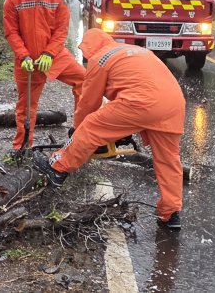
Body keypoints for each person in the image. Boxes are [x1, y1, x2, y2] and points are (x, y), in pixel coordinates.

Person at [33, 28, 186, 229]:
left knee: (90, 125)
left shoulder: (101, 59)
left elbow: (89, 103)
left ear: (90, 47)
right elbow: (141, 85)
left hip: (141, 103)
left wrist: (77, 130)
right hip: (174, 104)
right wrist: (123, 131)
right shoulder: (133, 50)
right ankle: (171, 213)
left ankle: (58, 169)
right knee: (168, 160)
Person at [3, 0, 85, 153]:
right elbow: (11, 32)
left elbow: (61, 30)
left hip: (55, 56)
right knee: (26, 107)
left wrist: (49, 53)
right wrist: (24, 55)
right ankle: (21, 147)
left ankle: (82, 134)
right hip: (27, 61)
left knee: (85, 81)